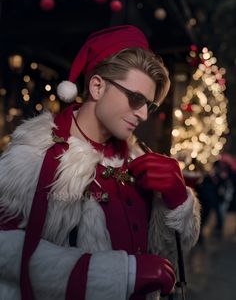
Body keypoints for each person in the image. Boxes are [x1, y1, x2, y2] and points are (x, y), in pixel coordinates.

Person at [0, 25, 200, 300]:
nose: (142, 114)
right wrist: (121, 274)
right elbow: (6, 253)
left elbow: (167, 257)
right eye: (135, 99)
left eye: (148, 106)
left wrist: (177, 203)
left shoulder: (140, 157)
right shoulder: (33, 156)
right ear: (97, 86)